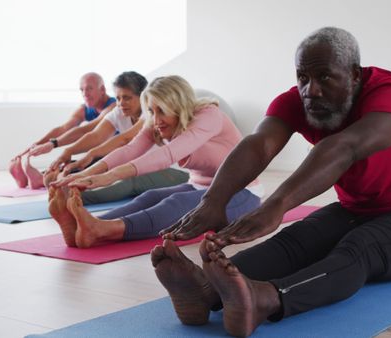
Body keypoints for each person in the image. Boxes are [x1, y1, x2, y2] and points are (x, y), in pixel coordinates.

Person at [151, 27, 391, 337]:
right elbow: (260, 144)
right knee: (295, 240)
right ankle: (206, 291)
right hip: (356, 211)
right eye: (303, 77)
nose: (311, 90)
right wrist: (213, 201)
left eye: (325, 77)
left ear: (353, 75)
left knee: (360, 247)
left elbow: (344, 147)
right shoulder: (297, 101)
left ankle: (267, 299)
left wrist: (276, 205)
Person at [48, 75, 262, 248]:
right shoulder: (157, 121)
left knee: (177, 203)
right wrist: (87, 174)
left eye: (161, 110)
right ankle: (82, 225)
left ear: (178, 106)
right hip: (199, 185)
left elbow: (168, 154)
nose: (156, 119)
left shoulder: (209, 115)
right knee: (149, 196)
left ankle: (103, 230)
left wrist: (109, 177)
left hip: (240, 193)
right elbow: (130, 149)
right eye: (151, 111)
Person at [43, 71, 189, 204]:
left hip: (173, 172)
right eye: (118, 98)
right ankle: (64, 184)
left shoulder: (150, 114)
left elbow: (125, 139)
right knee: (111, 169)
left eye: (127, 98)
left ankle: (74, 198)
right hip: (140, 165)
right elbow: (97, 136)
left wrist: (88, 160)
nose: (120, 103)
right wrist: (72, 154)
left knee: (127, 177)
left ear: (142, 97)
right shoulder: (124, 112)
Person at [9, 72, 117, 189]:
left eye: (89, 89)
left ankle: (42, 178)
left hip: (114, 153)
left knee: (84, 166)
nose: (85, 94)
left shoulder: (114, 107)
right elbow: (64, 128)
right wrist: (37, 144)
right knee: (69, 165)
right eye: (82, 90)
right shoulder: (84, 108)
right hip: (98, 154)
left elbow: (87, 129)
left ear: (102, 89)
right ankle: (40, 177)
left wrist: (52, 144)